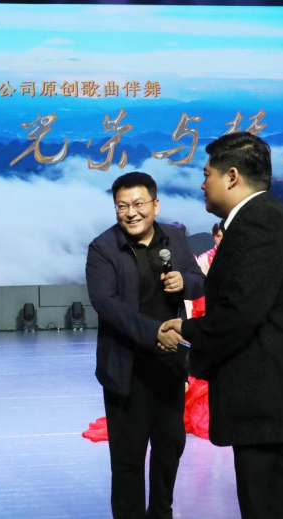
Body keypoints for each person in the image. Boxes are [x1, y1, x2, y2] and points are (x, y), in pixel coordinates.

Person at [163, 132, 283, 519]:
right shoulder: (266, 217)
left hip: (272, 404)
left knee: (271, 508)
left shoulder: (255, 224)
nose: (202, 184)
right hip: (280, 402)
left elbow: (239, 313)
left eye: (206, 174)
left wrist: (187, 336)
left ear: (232, 176)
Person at [85, 171, 205, 518]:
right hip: (126, 368)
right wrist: (155, 332)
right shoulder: (103, 248)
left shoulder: (174, 238)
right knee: (128, 458)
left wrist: (185, 282)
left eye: (138, 204)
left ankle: (162, 512)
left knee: (169, 449)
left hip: (169, 366)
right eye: (122, 206)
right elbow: (106, 304)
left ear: (155, 205)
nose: (131, 213)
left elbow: (200, 281)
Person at [191, 221, 223, 319]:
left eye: (224, 236)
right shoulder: (204, 258)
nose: (221, 239)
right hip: (210, 304)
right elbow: (201, 285)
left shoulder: (236, 255)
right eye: (218, 236)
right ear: (213, 237)